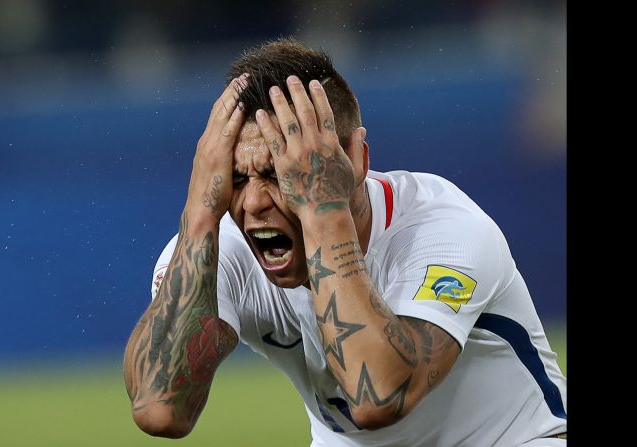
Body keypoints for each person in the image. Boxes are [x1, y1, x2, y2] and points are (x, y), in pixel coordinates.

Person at [123, 37, 567, 446]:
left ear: (355, 160)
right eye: (236, 178)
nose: (254, 202)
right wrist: (199, 215)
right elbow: (161, 409)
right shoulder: (221, 246)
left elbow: (378, 397)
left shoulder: (443, 230)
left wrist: (322, 211)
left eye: (283, 174)